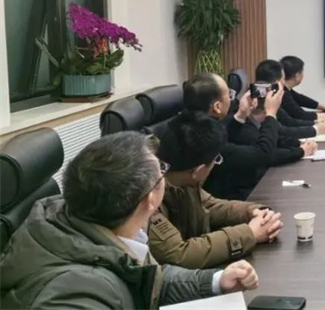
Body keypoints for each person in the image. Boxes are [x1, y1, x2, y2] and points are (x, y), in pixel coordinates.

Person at [0, 132, 259, 309]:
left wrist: (216, 281)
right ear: (150, 198)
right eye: (161, 171)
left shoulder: (86, 218)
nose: (165, 174)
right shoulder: (74, 295)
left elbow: (146, 278)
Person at [149, 110, 283, 269]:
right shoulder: (146, 195)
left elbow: (209, 205)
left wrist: (254, 211)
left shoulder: (180, 178)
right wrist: (250, 233)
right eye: (216, 160)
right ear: (198, 170)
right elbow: (179, 254)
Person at [183, 73, 314, 200]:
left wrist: (241, 115)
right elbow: (263, 154)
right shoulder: (204, 138)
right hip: (220, 200)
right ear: (217, 107)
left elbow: (225, 134)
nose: (232, 99)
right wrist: (271, 114)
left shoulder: (196, 125)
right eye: (229, 95)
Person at [255, 59, 325, 140]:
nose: (284, 84)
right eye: (283, 79)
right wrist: (315, 130)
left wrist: (315, 124)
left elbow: (287, 120)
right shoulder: (259, 102)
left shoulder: (261, 95)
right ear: (276, 84)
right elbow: (281, 131)